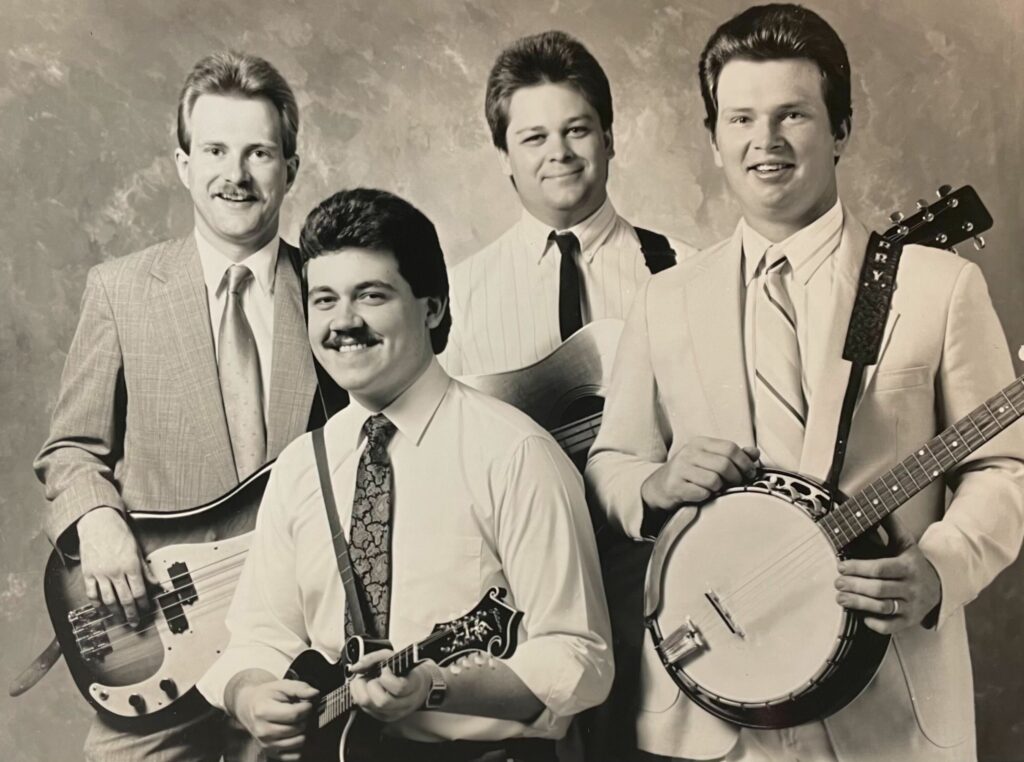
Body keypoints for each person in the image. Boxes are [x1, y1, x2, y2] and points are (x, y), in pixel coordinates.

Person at [586, 4, 1024, 761]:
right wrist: (654, 483)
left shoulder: (938, 286)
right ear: (714, 136)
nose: (766, 141)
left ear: (842, 129)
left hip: (891, 707)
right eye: (741, 118)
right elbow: (610, 464)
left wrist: (942, 567)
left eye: (793, 114)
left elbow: (1004, 464)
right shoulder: (666, 299)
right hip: (714, 711)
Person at [198, 188, 613, 762]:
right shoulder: (302, 465)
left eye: (371, 295)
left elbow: (579, 659)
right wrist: (249, 696)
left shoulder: (514, 453)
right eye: (323, 300)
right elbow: (257, 634)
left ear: (433, 307)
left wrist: (436, 687)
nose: (343, 322)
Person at [34, 51, 326, 760]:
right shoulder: (120, 290)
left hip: (300, 648)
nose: (236, 174)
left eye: (259, 152)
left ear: (290, 166)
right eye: (216, 150)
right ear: (182, 163)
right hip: (163, 642)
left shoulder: (330, 291)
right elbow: (70, 451)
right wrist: (96, 518)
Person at [441, 29, 696, 378]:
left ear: (607, 140)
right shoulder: (458, 295)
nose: (559, 153)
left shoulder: (687, 270)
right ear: (504, 156)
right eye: (535, 138)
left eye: (576, 130)